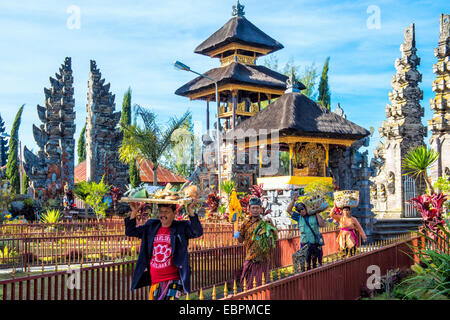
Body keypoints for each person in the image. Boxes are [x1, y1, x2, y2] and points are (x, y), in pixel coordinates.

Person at [124, 200, 203, 300]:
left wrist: (190, 210)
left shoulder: (180, 227)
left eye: (167, 212)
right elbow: (131, 232)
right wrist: (134, 212)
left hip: (173, 279)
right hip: (155, 280)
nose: (163, 215)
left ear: (174, 213)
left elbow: (197, 232)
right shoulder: (151, 226)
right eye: (161, 211)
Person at [237, 197, 276, 290]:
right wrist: (237, 235)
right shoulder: (245, 223)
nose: (255, 210)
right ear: (249, 209)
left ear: (261, 209)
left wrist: (271, 226)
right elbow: (240, 240)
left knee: (259, 286)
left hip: (262, 258)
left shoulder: (265, 222)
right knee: (245, 285)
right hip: (250, 257)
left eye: (257, 208)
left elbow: (274, 238)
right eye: (253, 208)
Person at [287, 192, 325, 272]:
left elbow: (322, 224)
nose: (301, 211)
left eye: (302, 209)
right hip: (305, 245)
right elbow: (288, 210)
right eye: (299, 210)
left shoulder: (313, 215)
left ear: (305, 208)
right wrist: (293, 200)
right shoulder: (298, 217)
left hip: (315, 244)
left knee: (317, 265)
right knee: (305, 265)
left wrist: (317, 212)